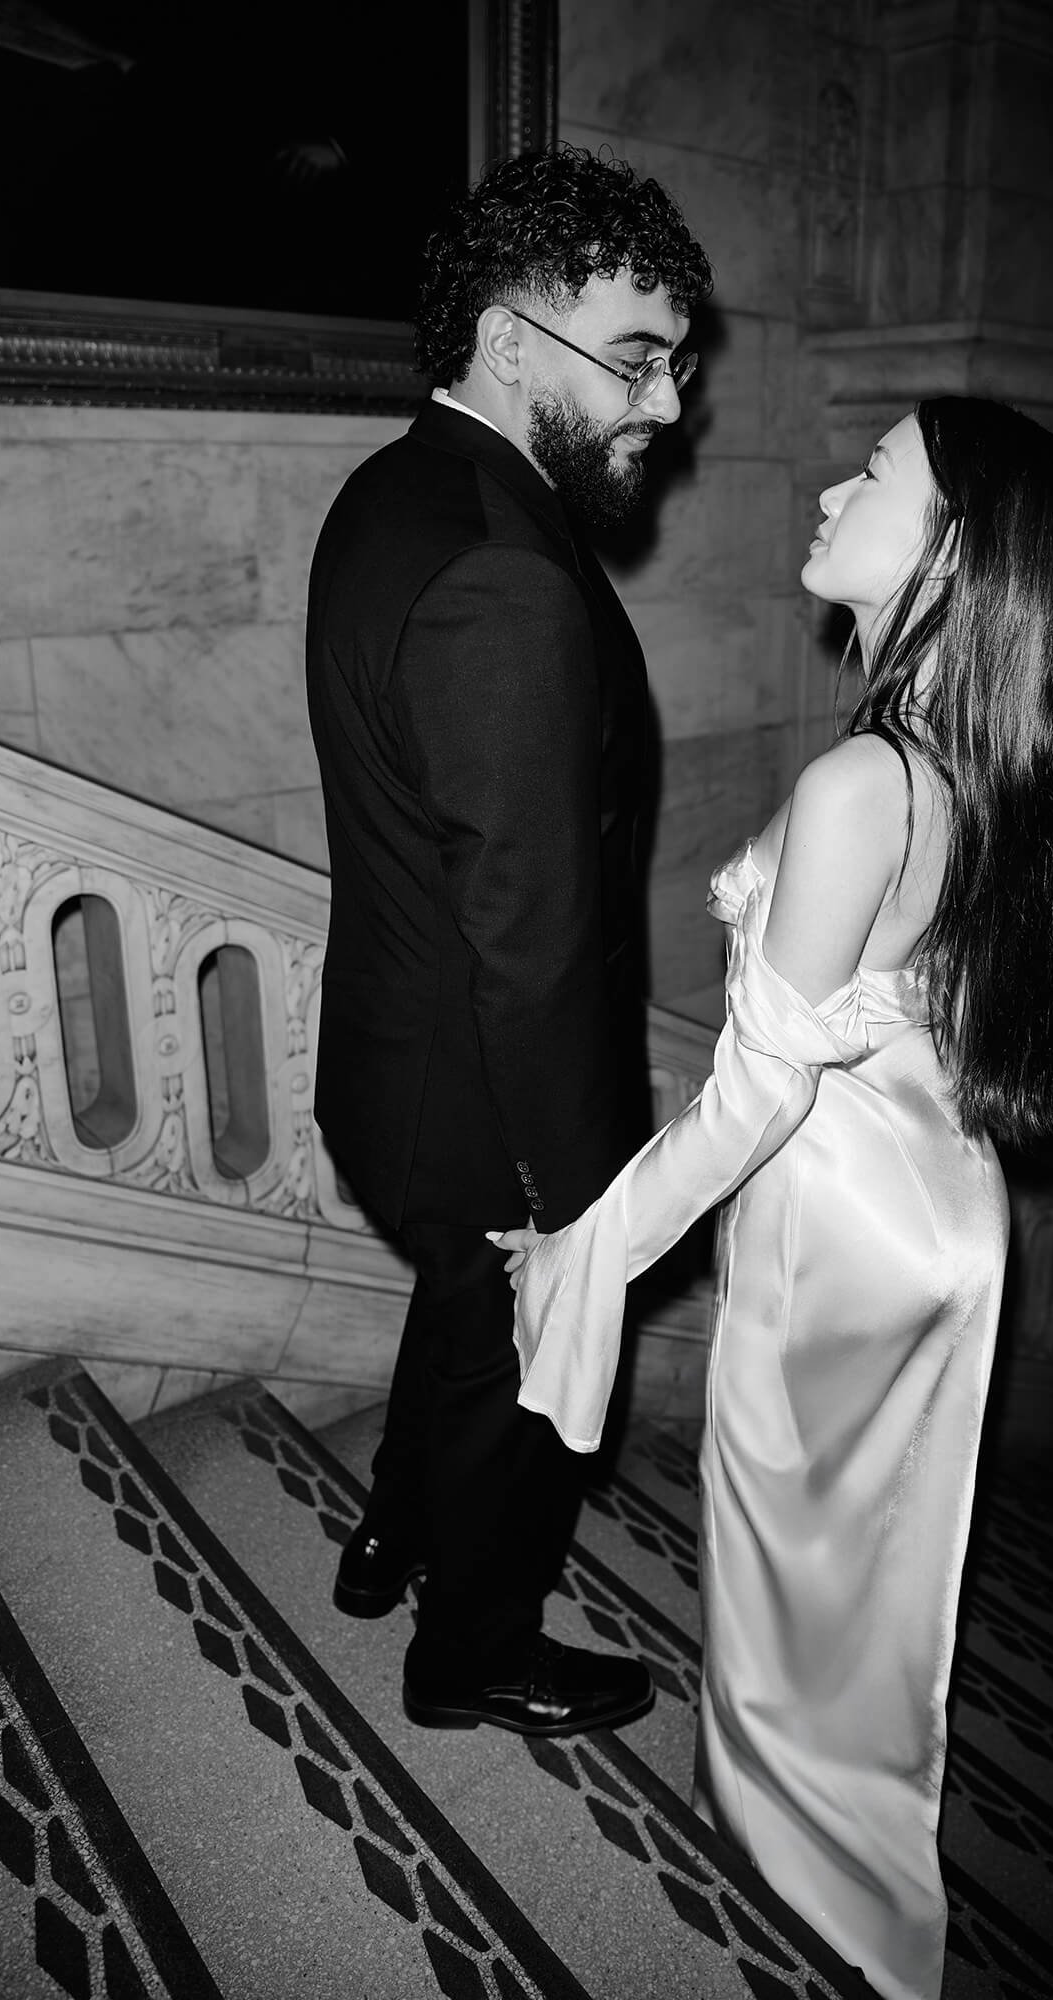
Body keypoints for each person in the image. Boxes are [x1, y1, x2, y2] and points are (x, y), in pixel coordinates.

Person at [494, 398, 1053, 1997]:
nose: (831, 483)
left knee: (791, 1584)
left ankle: (808, 1907)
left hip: (840, 1227)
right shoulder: (970, 762)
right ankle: (846, 1895)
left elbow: (754, 1095)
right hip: (934, 1202)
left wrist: (588, 1246)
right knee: (874, 1589)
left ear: (950, 549)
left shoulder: (861, 787)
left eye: (875, 472)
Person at [306, 145, 713, 1737]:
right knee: (531, 1392)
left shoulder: (394, 487)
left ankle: (392, 1528)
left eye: (674, 363)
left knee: (461, 1328)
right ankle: (467, 1652)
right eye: (635, 360)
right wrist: (585, 1211)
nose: (667, 407)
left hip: (400, 1072)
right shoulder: (508, 576)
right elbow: (532, 941)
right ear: (502, 338)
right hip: (488, 1104)